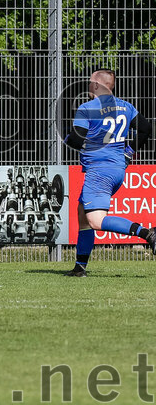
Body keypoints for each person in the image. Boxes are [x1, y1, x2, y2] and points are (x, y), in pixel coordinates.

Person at [64, 69, 155, 276]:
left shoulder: (87, 108)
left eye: (90, 82)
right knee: (83, 214)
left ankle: (148, 234)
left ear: (97, 85)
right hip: (117, 169)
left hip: (99, 171)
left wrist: (67, 139)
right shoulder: (125, 106)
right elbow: (146, 128)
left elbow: (77, 140)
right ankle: (80, 267)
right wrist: (129, 153)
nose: (88, 85)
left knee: (95, 220)